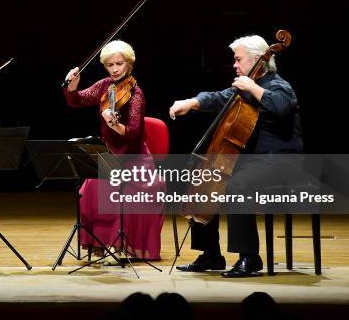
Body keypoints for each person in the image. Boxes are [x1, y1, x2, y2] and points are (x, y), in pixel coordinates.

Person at [169, 34, 303, 277]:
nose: (235, 64)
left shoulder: (278, 85)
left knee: (238, 184)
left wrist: (252, 87)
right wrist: (191, 102)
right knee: (202, 176)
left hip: (282, 160)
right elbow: (217, 97)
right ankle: (211, 254)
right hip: (256, 160)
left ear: (257, 61)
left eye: (238, 59)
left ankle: (249, 257)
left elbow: (283, 107)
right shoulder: (244, 86)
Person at [64, 40, 164, 261]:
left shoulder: (136, 93)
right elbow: (77, 100)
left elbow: (135, 132)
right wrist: (72, 86)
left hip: (133, 158)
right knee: (89, 192)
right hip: (109, 156)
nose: (115, 69)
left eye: (119, 63)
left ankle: (126, 246)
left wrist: (115, 125)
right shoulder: (104, 86)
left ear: (128, 64)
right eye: (110, 65)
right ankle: (99, 245)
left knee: (133, 194)